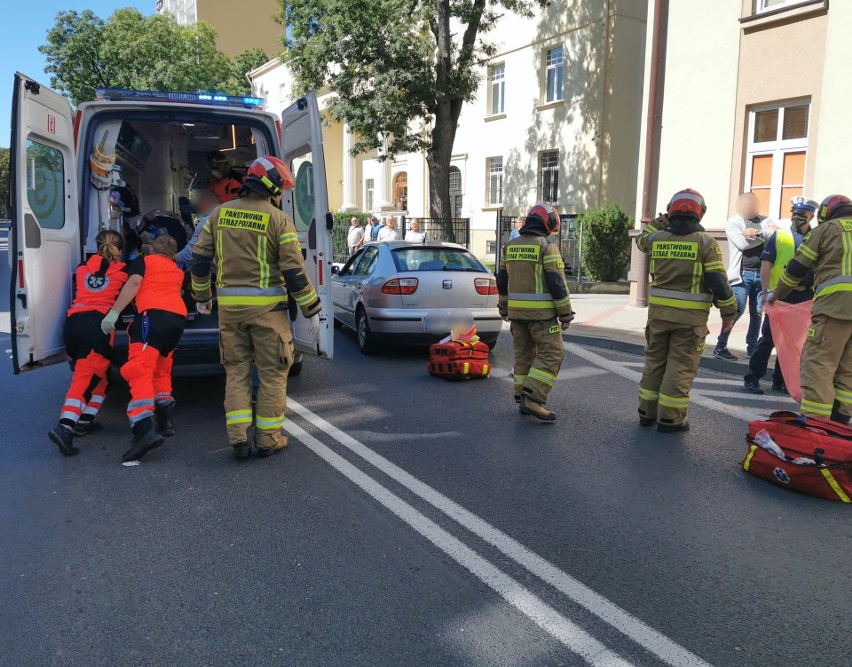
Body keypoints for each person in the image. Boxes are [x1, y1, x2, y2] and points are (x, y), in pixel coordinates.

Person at [190, 155, 323, 460]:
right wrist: (311, 308)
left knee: (236, 372)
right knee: (274, 374)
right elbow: (293, 271)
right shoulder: (278, 220)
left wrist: (202, 298)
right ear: (271, 186)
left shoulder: (219, 215)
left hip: (230, 313)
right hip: (268, 314)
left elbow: (199, 259)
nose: (280, 196)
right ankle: (268, 439)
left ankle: (238, 438)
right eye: (280, 190)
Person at [636, 189, 737, 433]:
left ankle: (646, 413)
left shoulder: (656, 239)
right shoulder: (705, 243)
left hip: (658, 318)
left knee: (654, 364)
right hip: (689, 322)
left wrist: (659, 222)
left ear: (671, 211)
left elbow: (641, 240)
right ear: (700, 213)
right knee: (679, 367)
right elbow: (717, 280)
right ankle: (670, 419)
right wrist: (729, 311)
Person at [101, 235, 187, 461]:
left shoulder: (144, 261)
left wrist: (114, 312)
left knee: (139, 370)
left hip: (152, 317)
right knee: (161, 369)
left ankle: (143, 430)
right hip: (177, 320)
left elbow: (134, 283)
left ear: (151, 250)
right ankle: (165, 421)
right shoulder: (176, 269)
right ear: (173, 254)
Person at [768, 194, 852, 424]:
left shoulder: (826, 230)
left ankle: (816, 426)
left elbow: (797, 267)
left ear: (826, 213)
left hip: (835, 307)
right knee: (848, 370)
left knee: (819, 365)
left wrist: (776, 295)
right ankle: (840, 424)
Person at [48, 231, 129, 456]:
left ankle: (85, 420)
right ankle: (65, 427)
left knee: (102, 379)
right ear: (120, 249)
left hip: (73, 325)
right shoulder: (123, 272)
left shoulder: (82, 267)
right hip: (97, 328)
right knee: (85, 381)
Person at [496, 203, 574, 422]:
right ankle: (533, 398)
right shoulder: (546, 246)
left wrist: (503, 308)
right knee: (553, 353)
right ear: (547, 222)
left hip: (516, 315)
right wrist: (566, 314)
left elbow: (502, 282)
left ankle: (522, 396)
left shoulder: (509, 247)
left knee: (524, 354)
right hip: (542, 317)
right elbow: (556, 282)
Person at [743, 196, 818, 394]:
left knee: (793, 342)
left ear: (812, 215)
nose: (798, 217)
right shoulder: (780, 236)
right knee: (769, 339)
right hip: (779, 296)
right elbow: (766, 264)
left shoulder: (817, 236)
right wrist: (766, 291)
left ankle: (781, 381)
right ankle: (752, 378)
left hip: (804, 298)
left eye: (803, 214)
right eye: (795, 213)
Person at [714, 193, 776, 360]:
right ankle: (720, 346)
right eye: (747, 205)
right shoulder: (734, 222)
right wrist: (765, 235)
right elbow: (742, 244)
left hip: (761, 275)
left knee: (757, 313)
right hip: (742, 275)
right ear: (740, 206)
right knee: (736, 311)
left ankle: (752, 347)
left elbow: (776, 236)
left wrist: (757, 233)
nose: (750, 209)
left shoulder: (765, 220)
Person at [176, 189, 221, 267]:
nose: (198, 207)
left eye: (199, 203)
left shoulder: (207, 221)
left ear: (205, 202)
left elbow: (193, 252)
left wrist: (173, 257)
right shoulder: (228, 214)